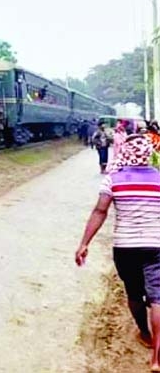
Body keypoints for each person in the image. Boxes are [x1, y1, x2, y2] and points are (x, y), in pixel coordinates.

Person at [76, 134, 160, 371]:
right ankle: (156, 358)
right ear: (148, 153)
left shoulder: (113, 179)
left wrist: (84, 243)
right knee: (158, 298)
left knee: (134, 293)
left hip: (125, 247)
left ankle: (144, 332)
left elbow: (99, 211)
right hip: (156, 245)